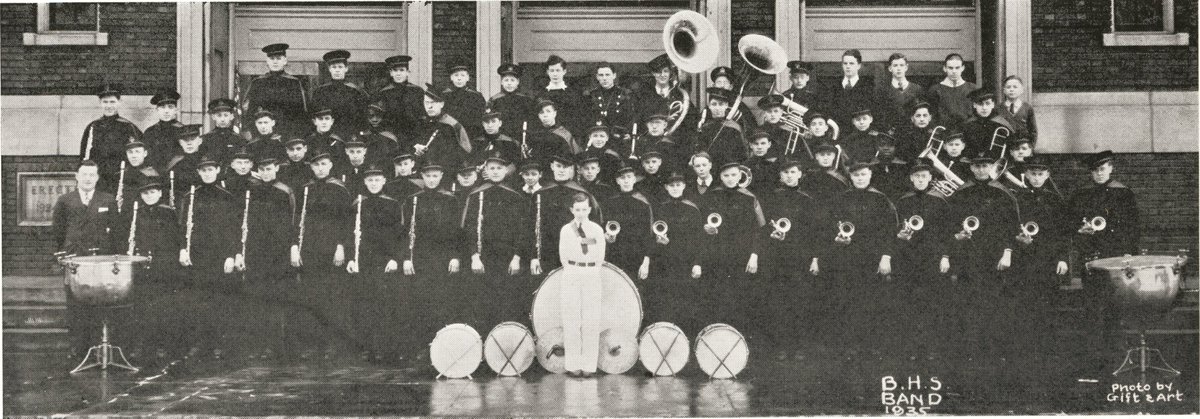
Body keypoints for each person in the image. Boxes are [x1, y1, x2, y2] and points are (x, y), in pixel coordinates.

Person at [946, 150, 1020, 358]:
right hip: (967, 256)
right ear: (971, 168)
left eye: (985, 165)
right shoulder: (961, 193)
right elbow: (950, 224)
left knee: (993, 302)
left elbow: (1011, 226)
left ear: (991, 167)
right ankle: (970, 351)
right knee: (967, 302)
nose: (980, 170)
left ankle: (992, 351)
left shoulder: (1002, 192)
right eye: (977, 166)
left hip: (993, 256)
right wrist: (958, 236)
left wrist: (1007, 254)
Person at [1067, 150, 1140, 362]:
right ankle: (1094, 352)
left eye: (1102, 169)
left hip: (1116, 254)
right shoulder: (1081, 194)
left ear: (1110, 168)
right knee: (1092, 303)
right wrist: (1080, 230)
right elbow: (1070, 222)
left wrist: (1129, 252)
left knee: (1116, 302)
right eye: (1095, 170)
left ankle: (1117, 351)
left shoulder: (1123, 193)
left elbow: (1133, 225)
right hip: (1091, 254)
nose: (1099, 174)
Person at [826, 162, 898, 351]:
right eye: (856, 175)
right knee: (847, 300)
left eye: (863, 174)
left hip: (872, 257)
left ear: (870, 175)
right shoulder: (842, 198)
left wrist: (886, 256)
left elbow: (891, 230)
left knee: (872, 301)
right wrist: (837, 238)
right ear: (850, 177)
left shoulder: (881, 199)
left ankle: (872, 346)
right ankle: (850, 346)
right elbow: (832, 225)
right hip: (847, 256)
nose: (860, 178)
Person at [52, 161, 120, 355]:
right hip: (75, 259)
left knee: (99, 301)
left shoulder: (108, 200)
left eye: (92, 175)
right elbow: (58, 231)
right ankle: (78, 347)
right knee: (75, 302)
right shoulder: (65, 200)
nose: (88, 178)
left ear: (97, 178)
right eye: (84, 174)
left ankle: (98, 346)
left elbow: (116, 230)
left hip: (100, 259)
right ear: (77, 177)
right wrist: (64, 253)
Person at [176, 154, 239, 357]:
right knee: (199, 300)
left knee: (220, 300)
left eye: (210, 169)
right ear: (198, 173)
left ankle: (222, 345)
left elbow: (233, 228)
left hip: (219, 256)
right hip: (197, 255)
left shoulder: (227, 196)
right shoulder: (190, 197)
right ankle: (204, 345)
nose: (207, 173)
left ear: (217, 171)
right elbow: (182, 226)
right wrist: (183, 249)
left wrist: (231, 255)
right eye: (203, 170)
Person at [1008, 155, 1068, 358]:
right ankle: (1026, 351)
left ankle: (1048, 351)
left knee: (1049, 304)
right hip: (1023, 260)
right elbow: (1010, 227)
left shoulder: (1055, 199)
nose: (1036, 178)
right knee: (1024, 304)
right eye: (1033, 174)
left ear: (1047, 175)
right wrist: (1018, 238)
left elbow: (1062, 231)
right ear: (1026, 174)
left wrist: (1062, 258)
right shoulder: (1017, 198)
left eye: (1041, 174)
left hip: (1048, 260)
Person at [460, 155, 531, 324]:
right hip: (483, 257)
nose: (496, 172)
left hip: (508, 258)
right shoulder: (476, 194)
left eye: (499, 168)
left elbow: (523, 230)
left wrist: (517, 257)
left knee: (507, 302)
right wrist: (474, 256)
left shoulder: (516, 196)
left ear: (506, 170)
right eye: (492, 168)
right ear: (485, 171)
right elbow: (468, 228)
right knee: (481, 303)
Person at [119, 176, 183, 359]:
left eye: (153, 192)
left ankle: (169, 351)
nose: (149, 196)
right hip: (143, 268)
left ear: (160, 193)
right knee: (144, 311)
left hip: (164, 268)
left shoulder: (168, 212)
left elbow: (175, 240)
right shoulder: (136, 213)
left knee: (165, 309)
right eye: (145, 193)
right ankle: (148, 351)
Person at [557, 193, 606, 378]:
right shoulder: (566, 230)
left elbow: (599, 253)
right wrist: (573, 269)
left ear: (589, 210)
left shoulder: (596, 229)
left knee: (591, 320)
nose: (580, 213)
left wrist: (590, 267)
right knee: (572, 320)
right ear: (572, 210)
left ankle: (589, 366)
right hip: (571, 272)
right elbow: (563, 255)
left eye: (584, 209)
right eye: (577, 210)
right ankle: (573, 365)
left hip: (592, 272)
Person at [530, 154, 602, 274]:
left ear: (571, 169)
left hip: (575, 252)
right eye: (558, 166)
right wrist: (533, 256)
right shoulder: (540, 193)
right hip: (546, 252)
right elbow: (531, 226)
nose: (562, 170)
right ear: (552, 166)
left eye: (566, 167)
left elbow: (595, 226)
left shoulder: (582, 194)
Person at [651, 172, 705, 332]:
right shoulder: (661, 208)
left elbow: (700, 240)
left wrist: (697, 263)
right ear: (666, 188)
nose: (675, 188)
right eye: (671, 186)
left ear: (684, 186)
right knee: (667, 300)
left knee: (686, 301)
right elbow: (655, 234)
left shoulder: (692, 209)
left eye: (678, 185)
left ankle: (686, 337)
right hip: (665, 262)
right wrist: (659, 242)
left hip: (686, 263)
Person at [80, 84, 143, 194]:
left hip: (122, 182)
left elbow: (138, 157)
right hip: (99, 182)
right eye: (105, 102)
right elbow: (84, 157)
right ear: (100, 103)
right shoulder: (93, 127)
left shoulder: (128, 127)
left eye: (112, 102)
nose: (109, 106)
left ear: (119, 102)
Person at [601, 163, 653, 279]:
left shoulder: (643, 204)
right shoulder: (609, 203)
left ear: (634, 180)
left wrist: (646, 262)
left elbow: (648, 235)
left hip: (636, 256)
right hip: (614, 254)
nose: (626, 181)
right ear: (617, 181)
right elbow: (603, 227)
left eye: (629, 177)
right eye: (622, 178)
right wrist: (607, 237)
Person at [243, 43, 308, 137]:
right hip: (262, 133)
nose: (275, 62)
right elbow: (249, 111)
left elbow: (301, 113)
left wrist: (293, 134)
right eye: (272, 59)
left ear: (285, 61)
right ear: (267, 61)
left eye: (278, 58)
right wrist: (255, 133)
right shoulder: (257, 82)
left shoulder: (294, 83)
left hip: (287, 134)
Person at [311, 50, 369, 139]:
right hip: (327, 135)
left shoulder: (356, 91)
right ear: (329, 69)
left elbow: (362, 116)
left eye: (340, 67)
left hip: (350, 134)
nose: (337, 70)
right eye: (334, 67)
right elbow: (314, 114)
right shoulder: (320, 91)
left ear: (346, 68)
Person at [414, 88, 473, 175]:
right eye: (426, 102)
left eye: (433, 103)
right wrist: (416, 148)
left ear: (442, 104)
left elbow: (465, 152)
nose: (429, 106)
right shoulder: (421, 122)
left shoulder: (451, 125)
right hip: (424, 172)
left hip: (446, 173)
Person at [636, 53, 693, 133]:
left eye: (665, 71)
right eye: (658, 72)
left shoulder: (679, 95)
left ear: (670, 74)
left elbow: (690, 121)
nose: (662, 75)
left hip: (675, 141)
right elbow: (639, 120)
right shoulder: (644, 95)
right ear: (653, 74)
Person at [692, 87, 747, 169]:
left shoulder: (735, 128)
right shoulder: (704, 128)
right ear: (709, 106)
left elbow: (742, 154)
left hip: (730, 170)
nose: (717, 108)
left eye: (721, 104)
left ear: (726, 106)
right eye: (714, 104)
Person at [959, 88, 1019, 158]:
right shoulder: (967, 125)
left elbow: (1012, 148)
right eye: (980, 104)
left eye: (987, 103)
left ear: (993, 105)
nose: (984, 108)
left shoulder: (1002, 124)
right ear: (974, 105)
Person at [537, 55, 587, 137]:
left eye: (558, 70)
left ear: (564, 71)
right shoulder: (541, 94)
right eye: (552, 71)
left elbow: (579, 119)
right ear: (547, 72)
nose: (555, 74)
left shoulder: (574, 93)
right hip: (546, 136)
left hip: (568, 136)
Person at [827, 49, 878, 129]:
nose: (848, 66)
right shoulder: (832, 86)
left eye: (851, 63)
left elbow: (874, 113)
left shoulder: (869, 87)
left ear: (859, 66)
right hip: (837, 134)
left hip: (860, 135)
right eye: (845, 63)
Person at [583, 62, 636, 137]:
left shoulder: (625, 94)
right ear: (597, 77)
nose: (604, 78)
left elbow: (631, 118)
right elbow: (585, 119)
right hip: (597, 138)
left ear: (614, 75)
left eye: (607, 75)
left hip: (618, 137)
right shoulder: (590, 95)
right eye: (601, 75)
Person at [375, 55, 426, 134]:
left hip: (413, 133)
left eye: (402, 70)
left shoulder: (417, 91)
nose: (398, 74)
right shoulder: (384, 93)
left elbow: (423, 114)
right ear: (391, 73)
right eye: (395, 70)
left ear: (407, 72)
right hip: (392, 133)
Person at [925, 53, 977, 128]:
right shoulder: (935, 90)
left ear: (963, 68)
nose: (954, 71)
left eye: (957, 68)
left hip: (968, 132)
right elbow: (931, 116)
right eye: (950, 68)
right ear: (944, 68)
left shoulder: (973, 88)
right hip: (944, 133)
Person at [489, 63, 537, 141]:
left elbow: (532, 121)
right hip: (501, 139)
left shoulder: (526, 100)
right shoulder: (494, 100)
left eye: (512, 80)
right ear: (501, 82)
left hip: (522, 138)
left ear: (517, 82)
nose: (509, 83)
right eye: (506, 80)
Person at [441, 62, 488, 140]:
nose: (459, 78)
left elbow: (480, 118)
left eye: (462, 75)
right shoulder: (444, 95)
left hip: (471, 135)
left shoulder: (476, 96)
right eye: (456, 75)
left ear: (468, 78)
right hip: (449, 135)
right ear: (451, 78)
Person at [880, 53, 924, 132]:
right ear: (890, 68)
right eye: (895, 65)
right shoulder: (883, 90)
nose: (898, 68)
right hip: (891, 133)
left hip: (913, 132)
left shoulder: (917, 89)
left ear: (906, 67)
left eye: (901, 65)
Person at [115, 138, 160, 214]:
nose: (133, 156)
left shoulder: (152, 175)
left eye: (137, 152)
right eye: (130, 152)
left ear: (145, 153)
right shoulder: (120, 175)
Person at [526, 99, 576, 168]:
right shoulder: (534, 135)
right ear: (538, 116)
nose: (545, 115)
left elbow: (574, 156)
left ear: (555, 113)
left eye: (548, 111)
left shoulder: (564, 134)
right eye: (541, 112)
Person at [143, 90, 185, 168]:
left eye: (170, 107)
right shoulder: (149, 132)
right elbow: (146, 158)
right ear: (157, 110)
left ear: (176, 110)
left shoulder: (184, 130)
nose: (166, 111)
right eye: (162, 107)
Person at [709, 66, 756, 132]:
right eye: (719, 82)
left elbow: (752, 129)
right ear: (714, 86)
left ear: (731, 87)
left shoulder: (740, 106)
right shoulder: (710, 106)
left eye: (725, 82)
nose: (722, 85)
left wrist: (738, 127)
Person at [202, 98, 246, 164]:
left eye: (226, 115)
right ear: (213, 117)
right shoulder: (206, 139)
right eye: (219, 115)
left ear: (232, 116)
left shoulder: (239, 139)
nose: (222, 119)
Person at [999, 75, 1038, 147]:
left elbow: (1033, 131)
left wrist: (1031, 147)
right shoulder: (998, 108)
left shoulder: (1027, 108)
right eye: (1008, 87)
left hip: (1022, 147)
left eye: (1015, 87)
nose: (1011, 89)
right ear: (1004, 90)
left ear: (1021, 90)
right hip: (1004, 147)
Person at [743, 131, 778, 195]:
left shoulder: (776, 163)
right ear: (751, 145)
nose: (759, 147)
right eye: (756, 144)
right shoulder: (745, 165)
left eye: (763, 143)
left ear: (769, 144)